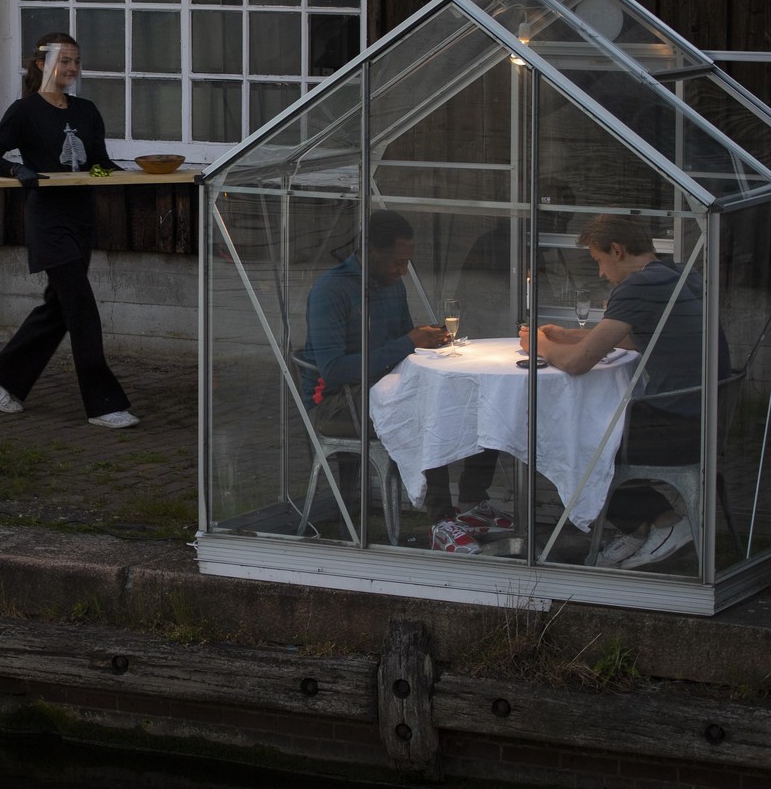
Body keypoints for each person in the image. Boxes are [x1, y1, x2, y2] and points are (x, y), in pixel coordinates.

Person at [521, 214, 729, 570]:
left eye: (599, 261)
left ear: (616, 251)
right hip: (709, 417)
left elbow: (577, 364)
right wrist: (566, 335)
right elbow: (635, 336)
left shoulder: (638, 286)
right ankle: (639, 527)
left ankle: (661, 522)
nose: (601, 273)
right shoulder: (677, 274)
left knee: (563, 438)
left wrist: (538, 344)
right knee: (584, 432)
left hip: (677, 427)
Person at [301, 209, 505, 552]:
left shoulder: (391, 284)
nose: (403, 270)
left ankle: (472, 500)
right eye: (398, 262)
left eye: (408, 261)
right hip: (336, 401)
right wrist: (409, 341)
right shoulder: (331, 290)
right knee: (423, 414)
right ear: (371, 251)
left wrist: (428, 340)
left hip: (384, 386)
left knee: (478, 395)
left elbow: (402, 341)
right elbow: (334, 369)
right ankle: (440, 522)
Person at [0, 33, 138, 429]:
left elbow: (99, 163)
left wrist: (130, 176)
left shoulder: (86, 111)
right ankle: (103, 404)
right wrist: (16, 170)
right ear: (41, 64)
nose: (71, 69)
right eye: (64, 61)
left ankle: (2, 375)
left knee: (59, 308)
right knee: (82, 309)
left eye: (76, 62)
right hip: (47, 221)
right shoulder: (24, 111)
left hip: (81, 218)